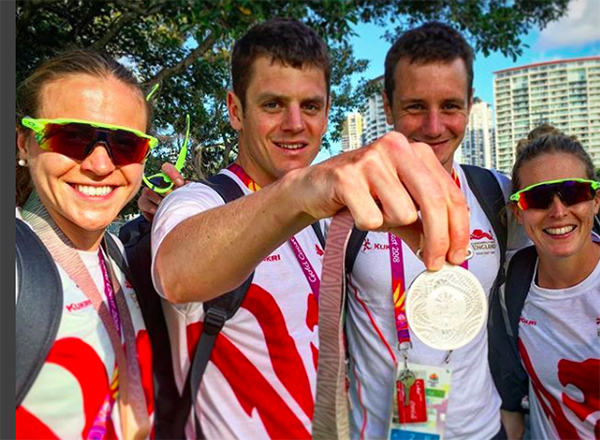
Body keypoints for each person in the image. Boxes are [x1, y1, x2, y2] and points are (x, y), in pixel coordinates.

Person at [150, 18, 470, 439]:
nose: (295, 124)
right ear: (234, 110)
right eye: (272, 104)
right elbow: (176, 272)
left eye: (311, 107)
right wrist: (300, 191)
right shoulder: (200, 202)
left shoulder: (317, 220)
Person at [343, 22, 530, 440]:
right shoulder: (345, 208)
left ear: (469, 105)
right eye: (414, 107)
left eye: (449, 106)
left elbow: (563, 252)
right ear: (388, 108)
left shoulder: (495, 195)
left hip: (484, 430)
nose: (433, 126)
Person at [16, 50, 154, 439]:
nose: (100, 164)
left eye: (125, 144)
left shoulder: (124, 258)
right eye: (71, 137)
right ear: (24, 143)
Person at [494, 132, 600, 439]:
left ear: (594, 202)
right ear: (518, 211)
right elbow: (511, 399)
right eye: (538, 198)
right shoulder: (511, 285)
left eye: (574, 193)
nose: (558, 211)